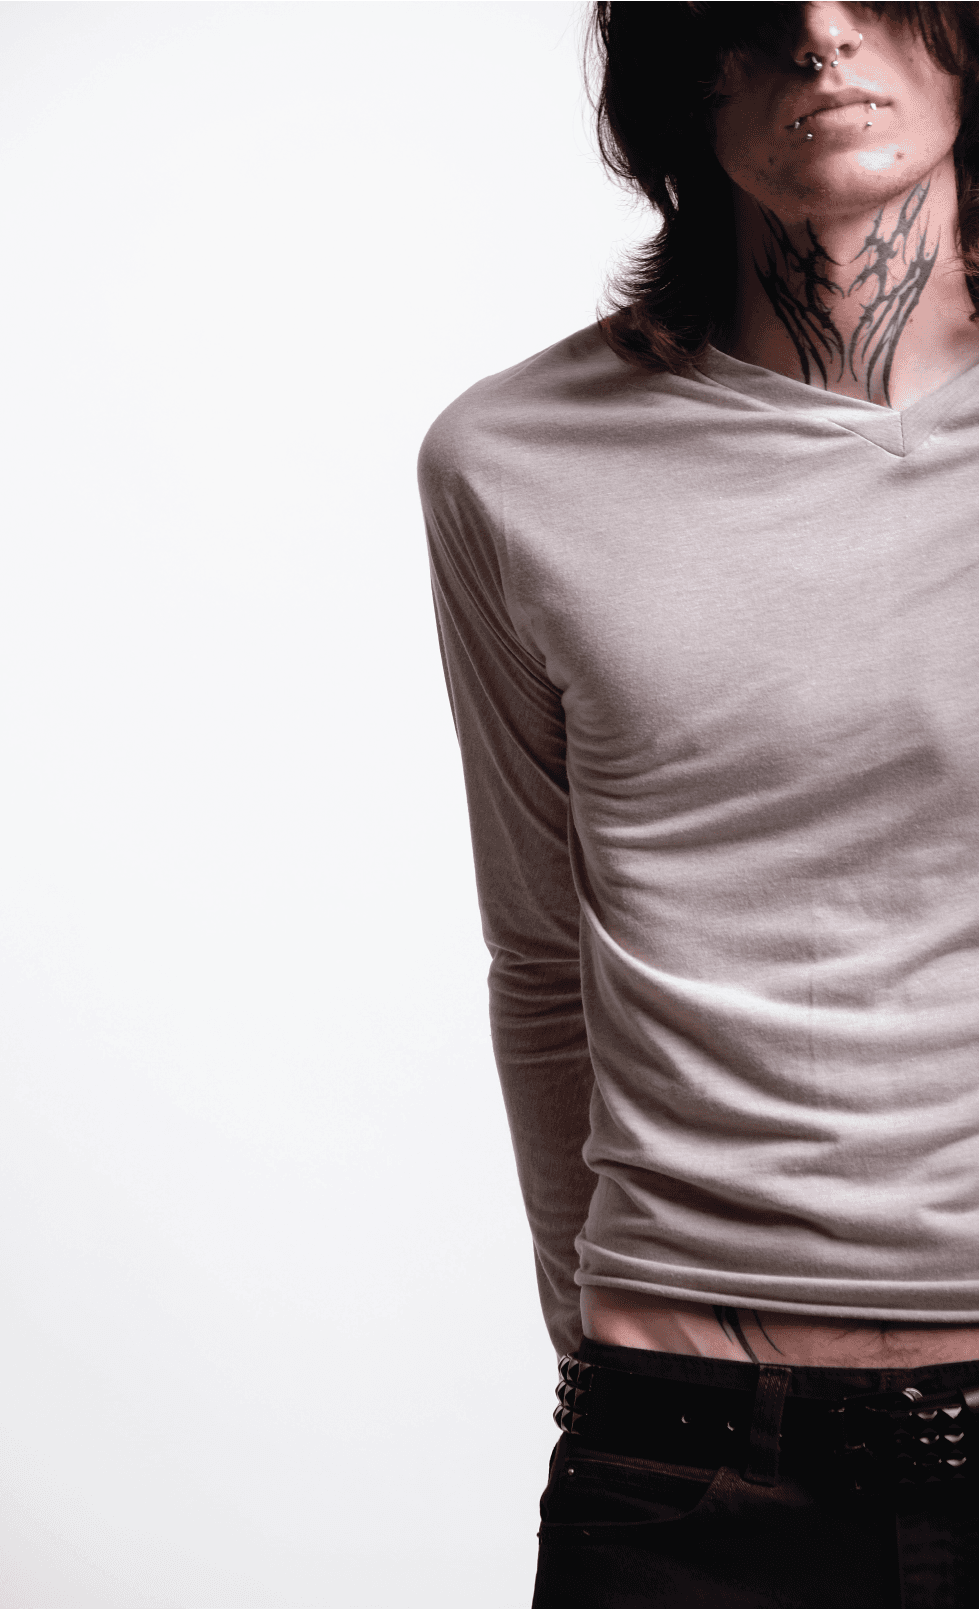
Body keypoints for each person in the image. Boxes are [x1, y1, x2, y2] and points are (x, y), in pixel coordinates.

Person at [417, 3, 979, 1605]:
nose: (819, 32)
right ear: (678, 70)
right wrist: (603, 1337)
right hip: (684, 1455)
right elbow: (542, 959)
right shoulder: (511, 462)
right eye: (749, 3)